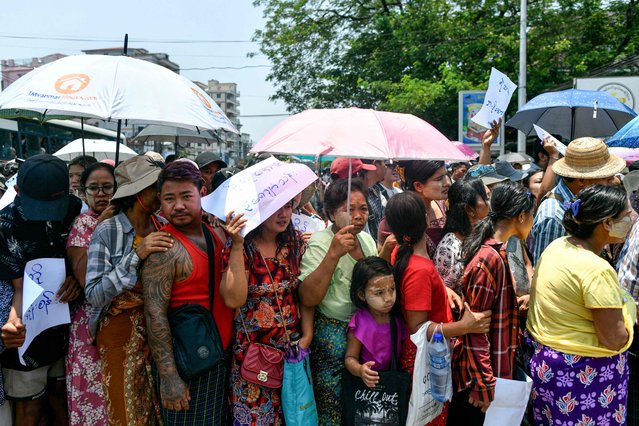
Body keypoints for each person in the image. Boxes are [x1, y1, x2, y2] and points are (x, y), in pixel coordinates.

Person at [527, 184, 635, 425]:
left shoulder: (558, 246)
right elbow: (613, 338)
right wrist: (628, 312)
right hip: (585, 377)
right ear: (606, 223)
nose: (632, 218)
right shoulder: (596, 269)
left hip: (548, 369)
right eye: (627, 214)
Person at [385, 191, 492, 425]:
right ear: (425, 219)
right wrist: (463, 327)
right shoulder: (418, 268)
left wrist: (444, 290)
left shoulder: (404, 254)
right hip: (426, 360)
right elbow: (418, 329)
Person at [142, 161, 233, 424]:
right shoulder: (164, 249)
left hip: (222, 355)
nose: (178, 205)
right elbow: (154, 313)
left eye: (186, 196)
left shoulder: (218, 232)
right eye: (169, 198)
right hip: (189, 362)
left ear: (202, 193)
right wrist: (169, 375)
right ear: (160, 200)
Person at [85, 155, 171, 425]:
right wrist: (137, 254)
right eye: (153, 187)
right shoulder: (108, 231)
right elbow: (94, 294)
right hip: (119, 333)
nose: (160, 193)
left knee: (155, 409)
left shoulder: (163, 227)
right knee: (126, 410)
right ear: (136, 193)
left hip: (157, 330)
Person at [0, 154, 82, 426]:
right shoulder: (4, 226)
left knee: (63, 399)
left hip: (69, 327)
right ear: (17, 190)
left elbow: (84, 255)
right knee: (28, 407)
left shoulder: (76, 210)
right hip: (25, 331)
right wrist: (13, 320)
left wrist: (77, 277)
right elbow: (18, 286)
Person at [449, 181, 535, 425]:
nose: (532, 221)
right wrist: (484, 385)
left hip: (493, 376)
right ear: (520, 216)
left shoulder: (499, 252)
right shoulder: (489, 259)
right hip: (480, 384)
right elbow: (476, 330)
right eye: (531, 215)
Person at [221, 199, 311, 425]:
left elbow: (306, 294)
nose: (284, 214)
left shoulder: (296, 242)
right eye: (276, 207)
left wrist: (307, 336)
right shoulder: (241, 246)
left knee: (296, 417)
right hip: (252, 356)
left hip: (292, 353)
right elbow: (234, 299)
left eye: (289, 206)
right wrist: (238, 244)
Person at [299, 178, 378, 424]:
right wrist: (333, 254)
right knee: (331, 403)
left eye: (363, 209)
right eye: (348, 209)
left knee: (361, 403)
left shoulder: (366, 240)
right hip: (332, 335)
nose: (357, 216)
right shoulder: (320, 243)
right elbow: (308, 297)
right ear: (332, 213)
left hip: (365, 332)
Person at [66, 162, 116, 426]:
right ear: (83, 193)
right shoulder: (84, 223)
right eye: (93, 188)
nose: (101, 194)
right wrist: (103, 226)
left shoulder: (128, 219)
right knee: (92, 398)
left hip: (123, 323)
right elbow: (86, 278)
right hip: (90, 325)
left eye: (107, 187)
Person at [530, 137, 625, 264]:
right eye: (607, 179)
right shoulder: (553, 216)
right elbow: (545, 273)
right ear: (581, 180)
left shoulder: (585, 203)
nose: (613, 182)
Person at [344, 257, 406, 388]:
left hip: (393, 381)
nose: (388, 298)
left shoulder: (397, 318)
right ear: (362, 294)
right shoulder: (359, 323)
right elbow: (350, 358)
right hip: (369, 385)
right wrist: (360, 370)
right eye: (379, 293)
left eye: (392, 289)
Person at [377, 160, 451, 258]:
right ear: (418, 186)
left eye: (446, 175)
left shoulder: (443, 205)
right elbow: (382, 263)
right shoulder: (396, 218)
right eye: (439, 179)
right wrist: (387, 248)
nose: (447, 183)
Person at [434, 178, 489, 297]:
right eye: (487, 198)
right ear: (469, 209)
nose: (491, 203)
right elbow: (444, 294)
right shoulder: (449, 248)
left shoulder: (486, 235)